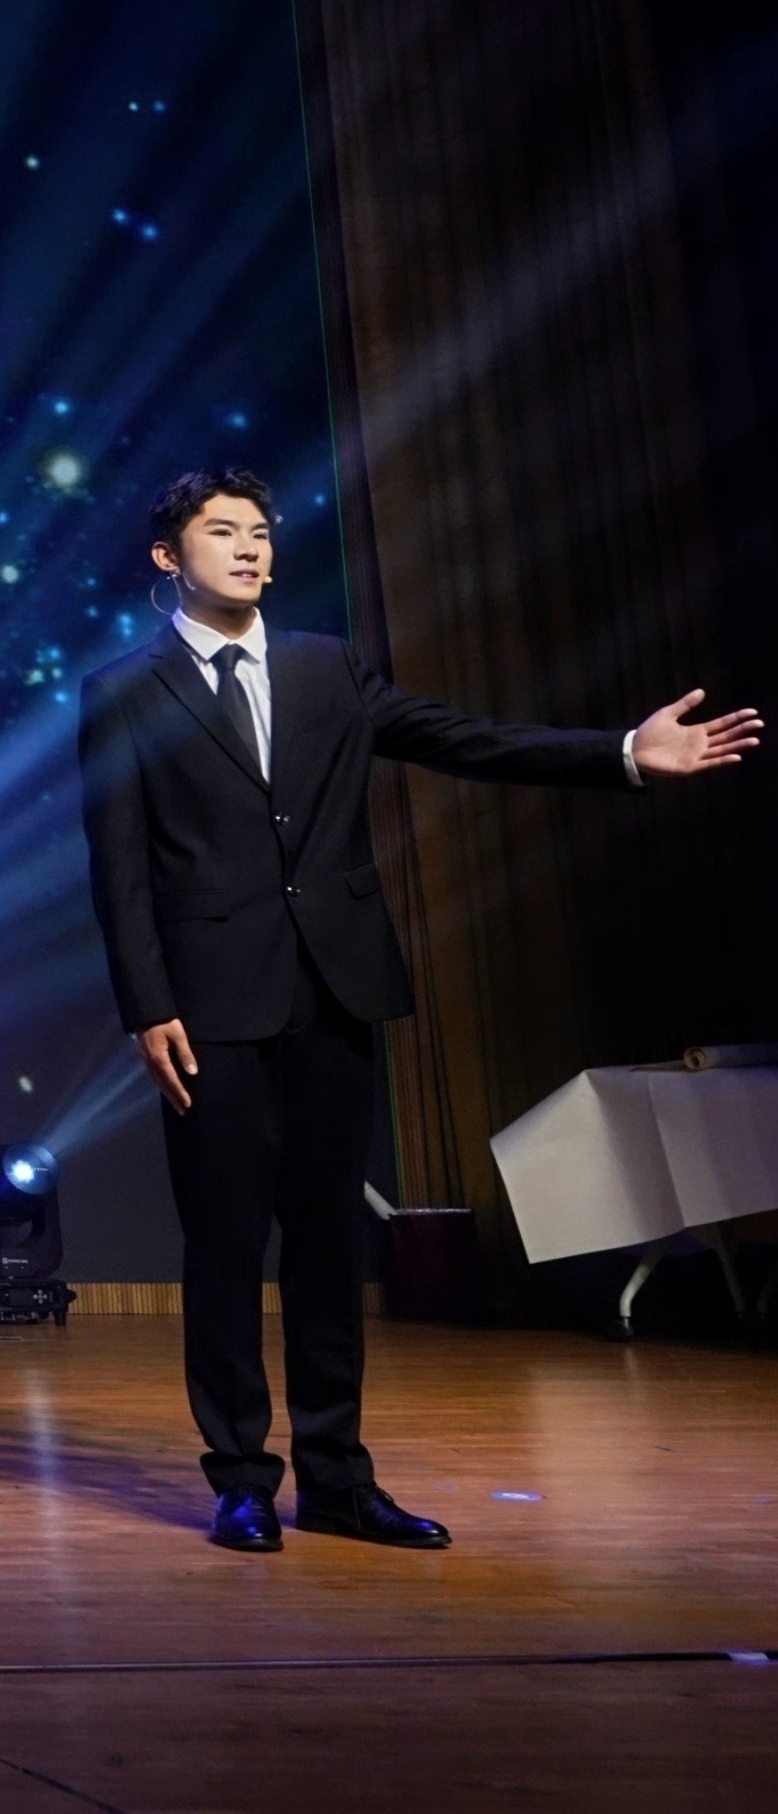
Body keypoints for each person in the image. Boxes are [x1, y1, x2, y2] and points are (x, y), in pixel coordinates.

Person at [82, 468, 757, 1555]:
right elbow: (117, 865)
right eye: (222, 532)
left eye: (260, 532)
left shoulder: (326, 665)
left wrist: (624, 755)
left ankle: (338, 1480)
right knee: (224, 1244)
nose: (249, 548)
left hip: (334, 984)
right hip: (208, 1003)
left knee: (324, 1244)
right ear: (169, 556)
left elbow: (463, 737)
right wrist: (145, 1003)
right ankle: (241, 1480)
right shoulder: (124, 690)